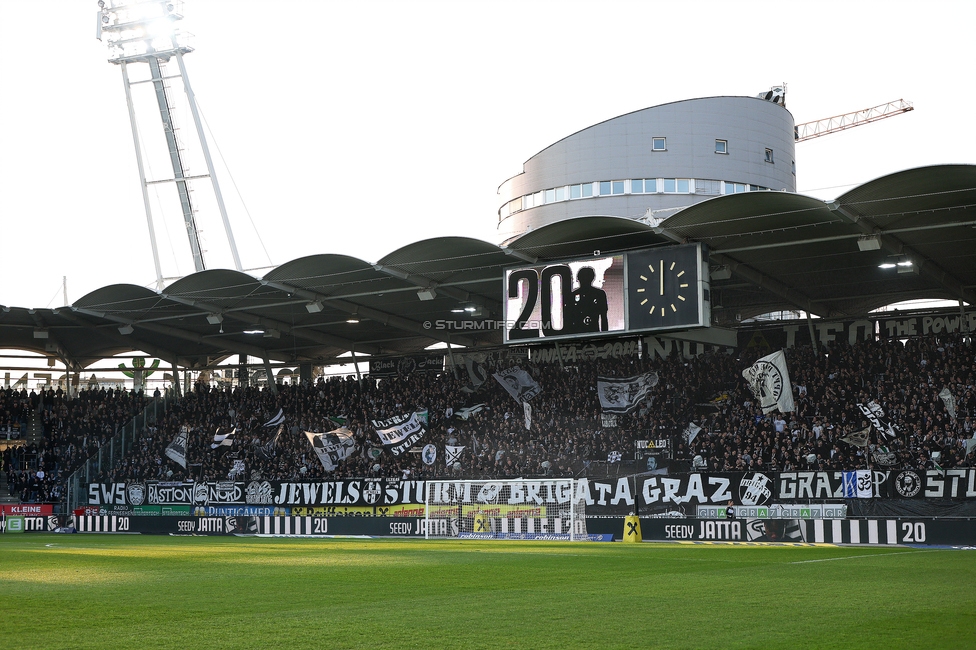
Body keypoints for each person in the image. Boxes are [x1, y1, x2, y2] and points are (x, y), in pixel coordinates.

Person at [565, 267, 608, 333]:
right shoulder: (572, 296)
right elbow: (568, 318)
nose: (584, 280)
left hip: (593, 332)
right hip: (576, 334)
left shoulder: (599, 294)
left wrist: (605, 336)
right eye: (583, 277)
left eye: (587, 277)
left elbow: (604, 317)